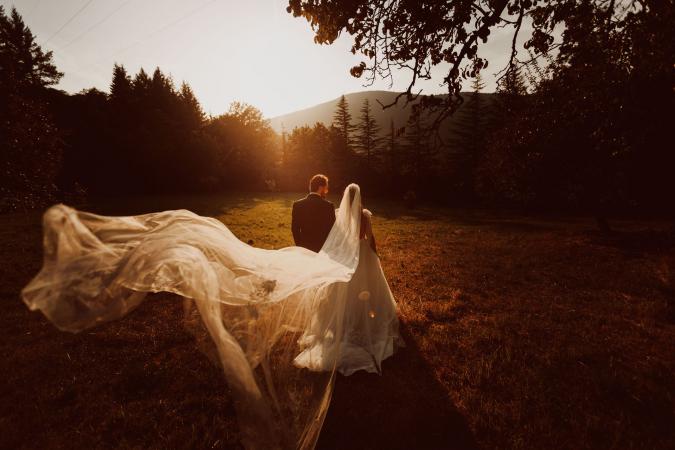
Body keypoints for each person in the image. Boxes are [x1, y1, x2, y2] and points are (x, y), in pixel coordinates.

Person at [21, 182, 399, 449]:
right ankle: (361, 326)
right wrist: (370, 257)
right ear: (360, 199)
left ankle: (343, 329)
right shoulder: (363, 215)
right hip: (363, 265)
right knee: (359, 299)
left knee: (339, 300)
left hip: (339, 262)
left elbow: (336, 243)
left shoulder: (338, 215)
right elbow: (371, 245)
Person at [291, 174, 335, 252]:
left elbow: (295, 229)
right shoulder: (329, 206)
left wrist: (300, 246)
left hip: (304, 249)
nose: (326, 191)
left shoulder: (297, 205)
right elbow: (332, 230)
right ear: (321, 188)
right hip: (322, 250)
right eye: (326, 188)